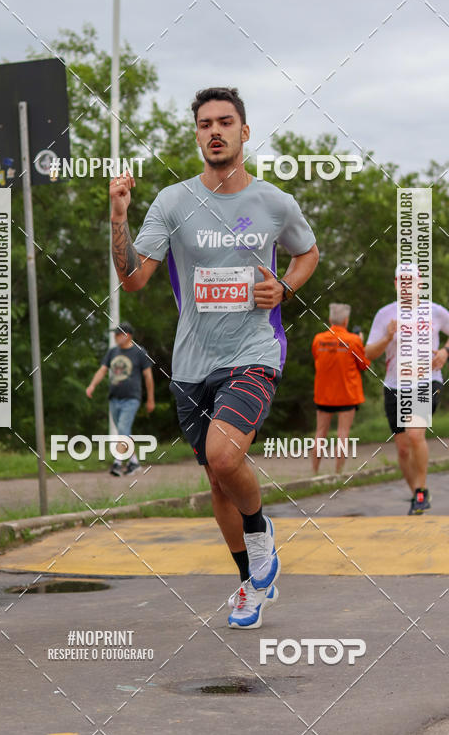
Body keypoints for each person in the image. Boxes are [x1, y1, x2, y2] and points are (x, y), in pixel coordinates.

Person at [109, 86, 319, 628]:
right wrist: (118, 216)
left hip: (254, 352)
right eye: (205, 124)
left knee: (227, 458)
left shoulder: (274, 202)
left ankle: (260, 531)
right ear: (197, 134)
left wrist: (286, 287)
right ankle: (249, 582)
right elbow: (133, 280)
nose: (215, 131)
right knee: (216, 480)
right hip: (191, 363)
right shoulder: (174, 202)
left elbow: (308, 252)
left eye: (226, 122)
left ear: (245, 132)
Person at [365, 264, 449, 514]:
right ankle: (418, 495)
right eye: (402, 280)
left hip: (426, 381)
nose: (407, 284)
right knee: (402, 447)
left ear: (420, 283)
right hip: (395, 385)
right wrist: (387, 337)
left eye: (412, 280)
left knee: (415, 433)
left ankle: (420, 490)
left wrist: (445, 351)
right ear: (396, 283)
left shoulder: (435, 311)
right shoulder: (385, 314)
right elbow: (367, 354)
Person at [86, 321, 155, 476]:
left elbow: (148, 376)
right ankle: (134, 463)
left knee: (123, 430)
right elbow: (102, 370)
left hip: (132, 398)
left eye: (118, 334)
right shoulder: (112, 352)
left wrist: (150, 399)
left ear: (128, 335)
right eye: (115, 334)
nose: (116, 337)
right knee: (124, 432)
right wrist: (92, 385)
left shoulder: (139, 352)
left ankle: (117, 463)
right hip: (114, 398)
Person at [311, 303, 370, 474]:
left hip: (324, 395)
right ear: (346, 320)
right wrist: (361, 342)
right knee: (342, 434)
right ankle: (338, 473)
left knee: (320, 433)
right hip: (347, 394)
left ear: (330, 319)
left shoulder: (318, 339)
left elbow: (317, 358)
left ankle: (314, 472)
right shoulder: (353, 340)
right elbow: (364, 365)